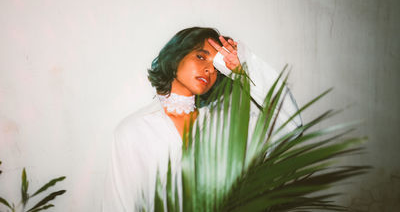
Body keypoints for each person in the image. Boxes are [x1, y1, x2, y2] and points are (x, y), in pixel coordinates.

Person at [102, 27, 302, 211]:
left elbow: (290, 124)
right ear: (176, 57)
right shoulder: (134, 130)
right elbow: (119, 205)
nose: (209, 70)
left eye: (217, 66)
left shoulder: (225, 126)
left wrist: (244, 69)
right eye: (200, 56)